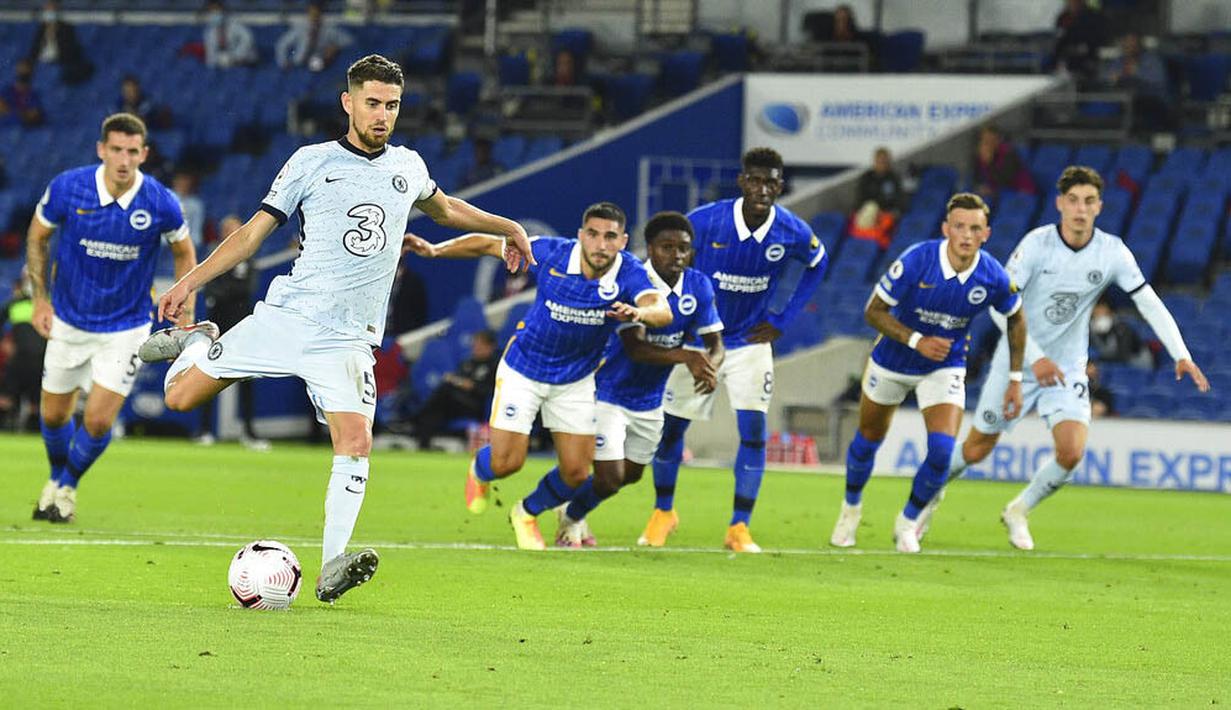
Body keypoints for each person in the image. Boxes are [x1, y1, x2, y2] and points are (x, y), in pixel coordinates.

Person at [137, 55, 534, 603]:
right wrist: (188, 281)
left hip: (346, 339)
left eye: (392, 105)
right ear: (348, 102)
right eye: (373, 103)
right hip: (287, 317)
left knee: (355, 441)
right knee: (179, 398)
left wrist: (507, 226)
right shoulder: (311, 161)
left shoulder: (409, 167)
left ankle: (331, 565)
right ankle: (201, 336)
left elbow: (445, 211)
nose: (383, 115)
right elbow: (252, 235)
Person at [938, 166, 1208, 550]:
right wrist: (1035, 359)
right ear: (1060, 204)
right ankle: (931, 493)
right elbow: (1001, 310)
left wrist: (1180, 354)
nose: (1081, 209)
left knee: (1072, 451)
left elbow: (1147, 302)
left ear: (1099, 206)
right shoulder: (1036, 245)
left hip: (1066, 366)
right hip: (1018, 360)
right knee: (977, 449)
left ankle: (1019, 509)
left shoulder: (1111, 251)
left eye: (1089, 201)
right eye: (1074, 201)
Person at [403, 202, 672, 551]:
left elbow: (661, 308)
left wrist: (641, 311)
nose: (600, 244)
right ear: (581, 236)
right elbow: (487, 244)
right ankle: (481, 471)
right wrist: (437, 250)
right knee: (507, 463)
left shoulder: (629, 273)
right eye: (593, 234)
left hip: (575, 381)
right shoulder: (550, 252)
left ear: (622, 241)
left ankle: (526, 512)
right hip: (524, 370)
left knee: (576, 473)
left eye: (610, 236)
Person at [649, 147, 829, 553]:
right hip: (698, 342)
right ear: (742, 182)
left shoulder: (792, 230)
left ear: (780, 187)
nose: (763, 189)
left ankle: (739, 527)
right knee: (672, 430)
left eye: (771, 182)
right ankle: (663, 512)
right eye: (756, 180)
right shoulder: (706, 221)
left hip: (750, 344)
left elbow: (818, 262)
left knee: (753, 434)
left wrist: (785, 318)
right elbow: (664, 259)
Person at [829, 192, 1027, 553]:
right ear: (945, 229)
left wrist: (1015, 378)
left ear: (986, 234)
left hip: (944, 366)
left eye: (975, 229)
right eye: (959, 227)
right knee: (868, 440)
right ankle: (851, 509)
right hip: (892, 360)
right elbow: (873, 311)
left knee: (940, 450)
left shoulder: (993, 276)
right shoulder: (918, 260)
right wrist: (916, 339)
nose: (966, 235)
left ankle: (907, 522)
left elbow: (1016, 318)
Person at [27, 112, 198, 523]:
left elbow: (184, 252)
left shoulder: (159, 201)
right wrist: (39, 300)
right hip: (68, 319)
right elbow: (37, 236)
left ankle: (66, 488)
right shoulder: (69, 188)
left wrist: (185, 311)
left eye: (132, 151)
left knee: (99, 420)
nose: (124, 159)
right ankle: (54, 479)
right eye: (116, 150)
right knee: (52, 415)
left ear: (144, 154)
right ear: (102, 150)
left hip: (126, 325)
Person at [555, 211, 724, 547]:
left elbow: (715, 343)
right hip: (609, 392)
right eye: (667, 247)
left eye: (683, 248)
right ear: (650, 248)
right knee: (611, 477)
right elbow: (637, 348)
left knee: (631, 475)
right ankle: (570, 518)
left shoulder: (698, 285)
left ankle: (570, 506)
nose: (675, 255)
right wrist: (688, 357)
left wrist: (710, 365)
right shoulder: (633, 282)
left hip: (649, 399)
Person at [194, 214, 267, 450]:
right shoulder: (214, 256)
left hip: (243, 325)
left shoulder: (248, 256)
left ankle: (249, 432)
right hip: (218, 324)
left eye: (237, 229)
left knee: (247, 379)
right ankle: (205, 430)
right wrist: (230, 288)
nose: (233, 234)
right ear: (223, 232)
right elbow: (212, 287)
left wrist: (227, 289)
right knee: (207, 375)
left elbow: (249, 287)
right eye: (229, 230)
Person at [411, 329, 499, 449]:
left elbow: (489, 390)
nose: (475, 348)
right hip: (457, 401)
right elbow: (458, 378)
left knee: (444, 391)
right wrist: (456, 381)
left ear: (490, 347)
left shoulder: (494, 365)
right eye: (475, 345)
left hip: (476, 405)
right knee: (437, 408)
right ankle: (424, 444)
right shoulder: (467, 363)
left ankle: (415, 418)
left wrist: (469, 385)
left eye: (479, 345)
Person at [0, 270, 46, 431]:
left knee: (37, 404)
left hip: (41, 361)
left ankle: (33, 435)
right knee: (6, 400)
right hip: (19, 359)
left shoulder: (50, 305)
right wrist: (4, 343)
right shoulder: (14, 304)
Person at [26, 1, 94, 86]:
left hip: (60, 62)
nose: (49, 11)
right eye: (48, 9)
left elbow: (71, 50)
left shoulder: (66, 28)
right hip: (41, 63)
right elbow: (34, 50)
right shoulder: (41, 29)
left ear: (57, 9)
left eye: (52, 9)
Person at [277, 2, 353, 72]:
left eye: (317, 14)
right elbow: (282, 44)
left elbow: (349, 40)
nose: (314, 17)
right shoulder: (300, 28)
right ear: (308, 14)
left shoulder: (329, 29)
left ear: (321, 15)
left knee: (319, 65)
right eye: (312, 14)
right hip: (298, 62)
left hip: (317, 61)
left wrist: (335, 47)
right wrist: (284, 62)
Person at [850, 146, 902, 248]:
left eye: (884, 161)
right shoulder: (866, 178)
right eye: (879, 161)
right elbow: (859, 199)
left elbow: (899, 200)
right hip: (868, 212)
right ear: (874, 161)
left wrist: (892, 212)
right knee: (870, 207)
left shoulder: (894, 179)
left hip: (886, 214)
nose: (882, 164)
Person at [973, 124, 1036, 199]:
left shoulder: (1009, 153)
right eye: (985, 140)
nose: (987, 143)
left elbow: (1005, 180)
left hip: (1021, 192)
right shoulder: (982, 155)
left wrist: (989, 164)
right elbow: (976, 177)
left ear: (998, 139)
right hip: (1000, 194)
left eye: (991, 140)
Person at [1089, 299, 1151, 368]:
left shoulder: (1123, 325)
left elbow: (1123, 355)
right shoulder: (1090, 330)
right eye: (1096, 313)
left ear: (1110, 311)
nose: (1099, 315)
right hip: (1111, 366)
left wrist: (1097, 361)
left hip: (1137, 364)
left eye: (1103, 312)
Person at [203, 1, 257, 69]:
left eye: (216, 11)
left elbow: (248, 39)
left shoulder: (234, 23)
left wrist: (234, 56)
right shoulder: (209, 32)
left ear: (222, 11)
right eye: (211, 12)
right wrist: (219, 59)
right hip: (224, 64)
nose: (214, 14)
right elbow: (210, 58)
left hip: (244, 61)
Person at [0, 60, 45, 128]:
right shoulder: (7, 91)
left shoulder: (33, 94)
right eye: (20, 71)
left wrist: (11, 111)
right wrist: (22, 113)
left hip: (23, 128)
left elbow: (33, 114)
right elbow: (1, 109)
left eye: (25, 72)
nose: (22, 74)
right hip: (5, 127)